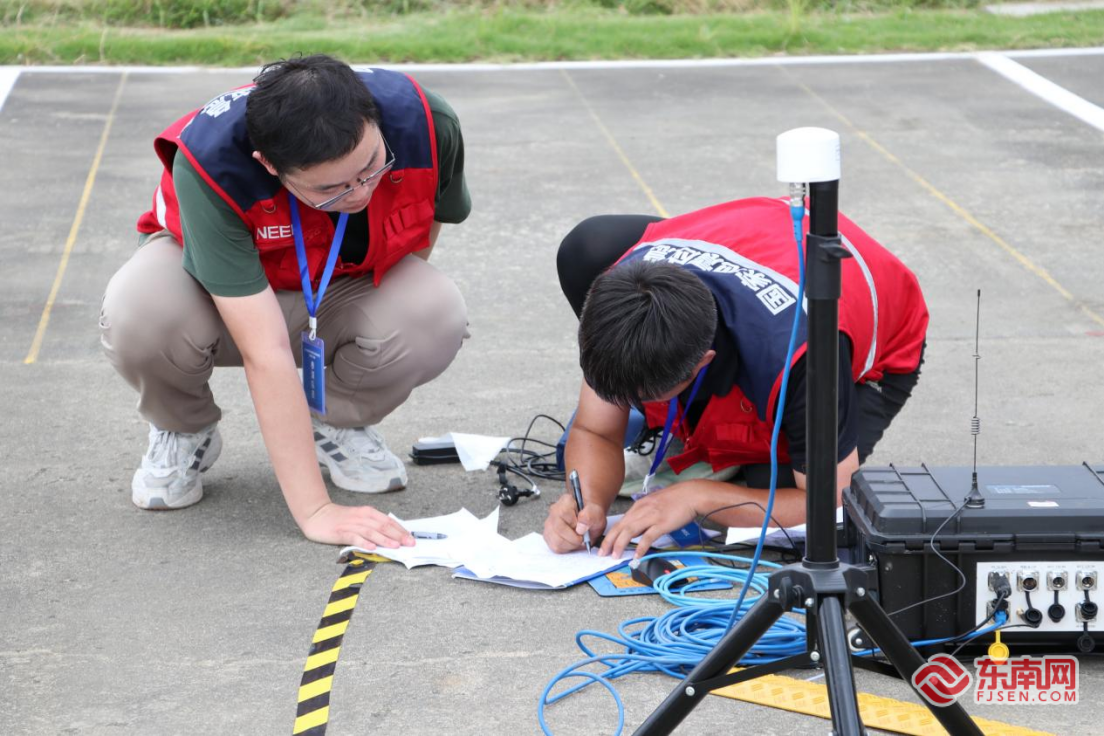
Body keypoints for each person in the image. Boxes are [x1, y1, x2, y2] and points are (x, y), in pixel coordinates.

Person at [100, 55, 471, 550]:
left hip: (333, 282)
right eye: (330, 188)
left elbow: (420, 239)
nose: (359, 192)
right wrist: (316, 512)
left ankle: (338, 421)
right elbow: (265, 348)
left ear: (375, 123)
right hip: (216, 298)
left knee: (431, 309)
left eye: (369, 166)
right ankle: (183, 427)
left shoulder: (428, 122)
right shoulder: (211, 162)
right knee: (140, 312)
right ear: (270, 166)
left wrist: (374, 316)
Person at [542, 197, 928, 560]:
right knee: (734, 481)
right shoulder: (620, 299)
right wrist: (589, 500)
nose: (622, 402)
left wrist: (698, 498)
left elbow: (830, 502)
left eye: (640, 398)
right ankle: (686, 428)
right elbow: (594, 432)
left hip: (882, 339)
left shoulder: (802, 358)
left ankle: (709, 440)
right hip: (751, 239)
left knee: (767, 486)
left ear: (703, 362)